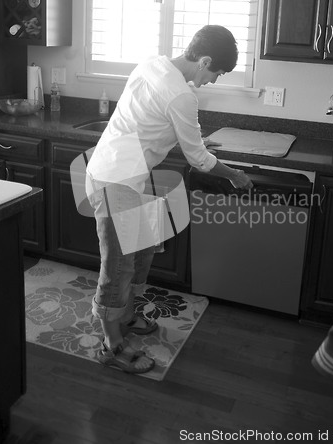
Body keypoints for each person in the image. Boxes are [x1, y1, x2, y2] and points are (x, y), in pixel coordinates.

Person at [86, 25, 253, 374]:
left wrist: (195, 139)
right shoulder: (183, 94)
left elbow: (156, 118)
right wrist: (234, 174)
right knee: (118, 264)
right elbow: (198, 159)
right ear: (204, 59)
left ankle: (127, 316)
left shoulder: (153, 63)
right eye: (216, 72)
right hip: (115, 175)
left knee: (142, 250)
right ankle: (111, 344)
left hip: (128, 170)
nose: (214, 80)